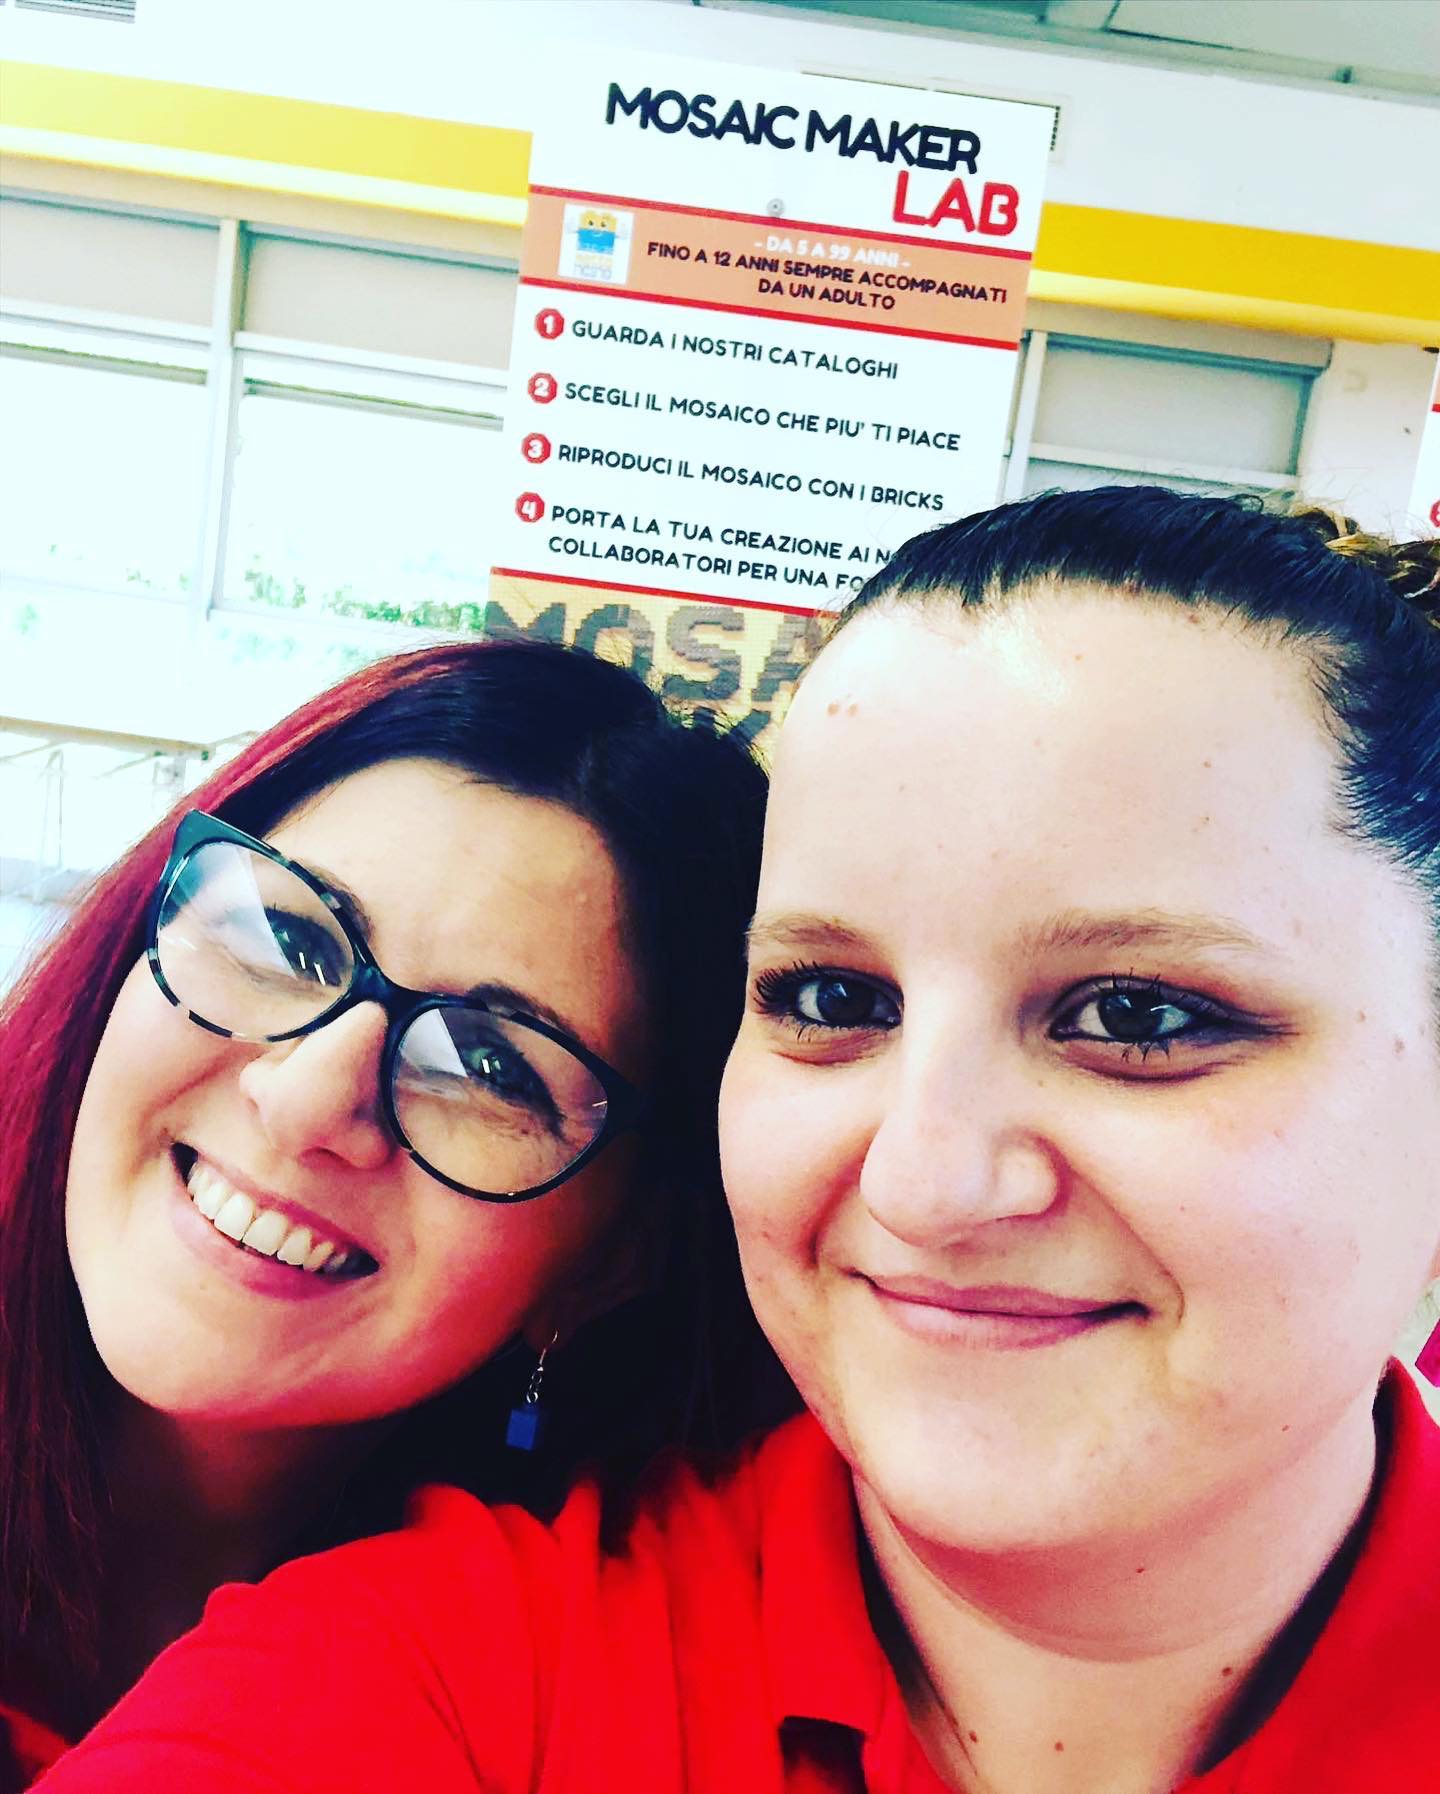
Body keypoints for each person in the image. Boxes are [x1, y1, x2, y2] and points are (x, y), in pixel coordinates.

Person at [34, 490, 1440, 1794]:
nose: (921, 1183)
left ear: (616, 1252)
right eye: (833, 999)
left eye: (1138, 1014)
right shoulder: (435, 1671)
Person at [0, 637, 784, 1788]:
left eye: (489, 1065)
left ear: (615, 1257)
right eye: (281, 938)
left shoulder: (583, 1671)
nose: (304, 1101)